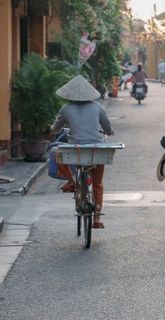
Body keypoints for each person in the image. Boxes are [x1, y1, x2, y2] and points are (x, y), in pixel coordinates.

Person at [50, 75, 114, 229]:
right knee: (98, 184)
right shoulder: (98, 107)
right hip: (95, 150)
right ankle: (97, 219)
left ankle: (72, 180)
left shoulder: (66, 109)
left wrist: (53, 129)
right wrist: (109, 132)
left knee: (55, 154)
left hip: (76, 151)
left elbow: (56, 127)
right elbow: (107, 128)